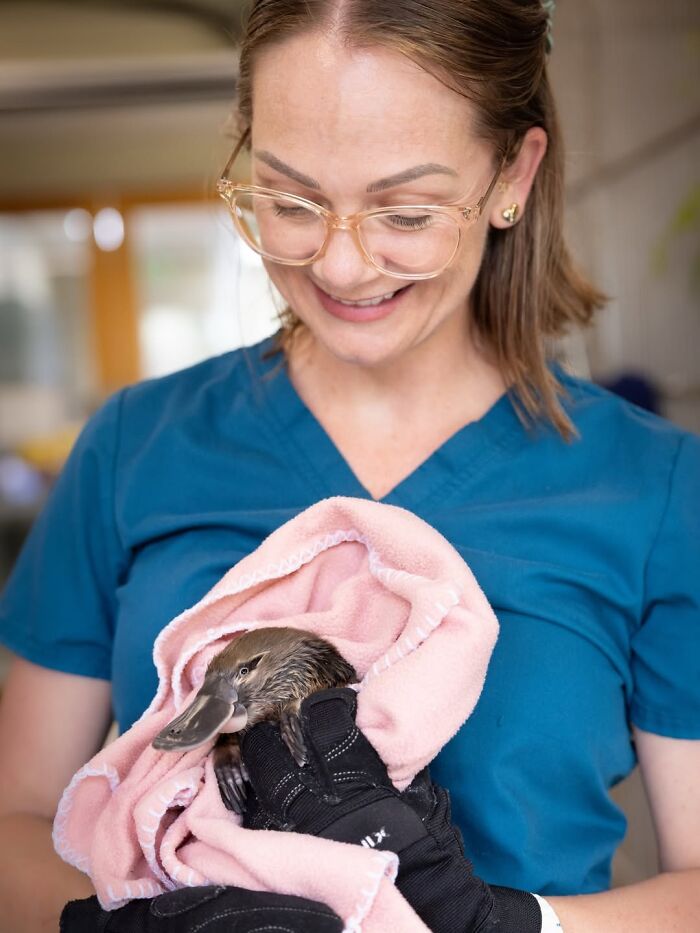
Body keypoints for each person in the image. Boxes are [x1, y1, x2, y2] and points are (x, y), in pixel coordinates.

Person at [0, 0, 699, 930]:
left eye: (404, 210)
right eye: (290, 201)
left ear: (513, 175)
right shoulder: (135, 446)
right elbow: (18, 814)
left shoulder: (655, 489)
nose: (340, 263)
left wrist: (522, 925)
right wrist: (112, 922)